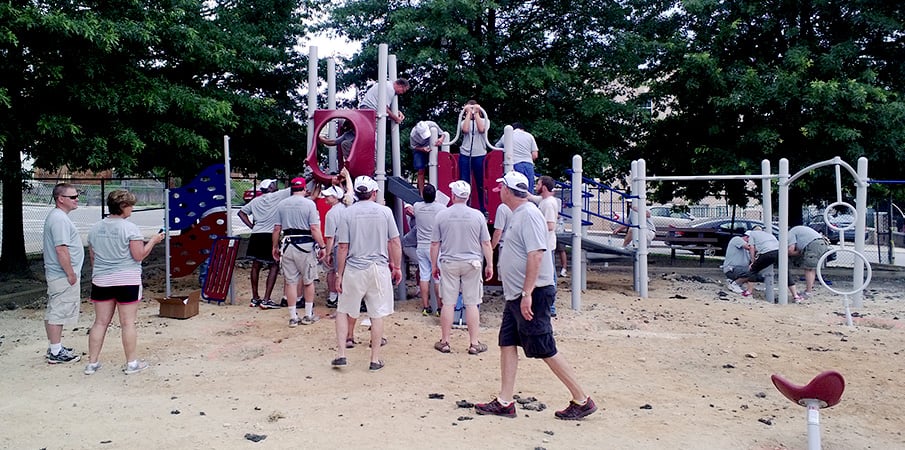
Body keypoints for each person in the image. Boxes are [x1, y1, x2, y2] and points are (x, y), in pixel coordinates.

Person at [475, 171, 597, 420]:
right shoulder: (519, 214)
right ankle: (505, 401)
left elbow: (536, 254)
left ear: (508, 191)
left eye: (501, 188)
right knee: (507, 342)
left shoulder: (528, 214)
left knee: (544, 347)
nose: (499, 192)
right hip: (517, 295)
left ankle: (581, 399)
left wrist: (527, 293)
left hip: (532, 292)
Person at [84, 190, 165, 375]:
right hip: (127, 279)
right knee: (128, 323)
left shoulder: (95, 228)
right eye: (130, 205)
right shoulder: (130, 229)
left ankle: (92, 363)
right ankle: (131, 363)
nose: (132, 209)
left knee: (100, 322)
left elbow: (93, 257)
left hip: (102, 279)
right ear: (122, 207)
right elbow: (139, 256)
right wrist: (153, 241)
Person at [332, 176, 403, 371]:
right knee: (377, 313)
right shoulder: (385, 212)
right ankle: (374, 358)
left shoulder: (347, 214)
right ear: (373, 193)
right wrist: (396, 266)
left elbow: (343, 247)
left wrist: (339, 273)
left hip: (354, 268)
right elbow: (395, 241)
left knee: (343, 309)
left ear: (356, 193)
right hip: (379, 268)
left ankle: (341, 354)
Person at [430, 181, 493, 354]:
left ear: (453, 195)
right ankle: (473, 343)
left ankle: (445, 341)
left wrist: (434, 264)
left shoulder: (442, 215)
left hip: (449, 262)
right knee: (472, 303)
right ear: (468, 196)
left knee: (448, 303)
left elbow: (435, 243)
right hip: (472, 262)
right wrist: (490, 264)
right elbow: (486, 243)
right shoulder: (478, 216)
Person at [272, 178, 326, 327]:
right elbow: (314, 228)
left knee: (290, 282)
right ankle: (308, 315)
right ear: (303, 188)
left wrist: (274, 247)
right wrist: (322, 246)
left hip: (288, 245)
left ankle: (292, 316)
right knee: (308, 281)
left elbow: (277, 228)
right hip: (306, 245)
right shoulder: (309, 204)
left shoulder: (282, 204)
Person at [42, 183, 85, 364]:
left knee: (55, 309)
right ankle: (55, 351)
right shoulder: (59, 219)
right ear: (61, 199)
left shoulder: (58, 217)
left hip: (58, 274)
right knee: (59, 311)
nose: (77, 200)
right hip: (61, 274)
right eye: (73, 197)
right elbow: (61, 249)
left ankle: (55, 346)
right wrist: (70, 273)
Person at [238, 179, 290, 309]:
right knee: (274, 264)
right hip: (270, 234)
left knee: (256, 265)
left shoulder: (255, 201)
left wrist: (252, 226)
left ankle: (255, 297)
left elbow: (241, 213)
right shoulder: (277, 196)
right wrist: (312, 176)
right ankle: (266, 299)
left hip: (256, 234)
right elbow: (296, 186)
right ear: (271, 187)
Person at [734, 230, 802, 301]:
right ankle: (795, 296)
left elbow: (752, 247)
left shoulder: (752, 234)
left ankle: (749, 292)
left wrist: (753, 261)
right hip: (780, 252)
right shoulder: (769, 235)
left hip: (767, 253)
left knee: (753, 269)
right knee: (786, 273)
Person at [412, 184, 446, 316]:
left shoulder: (417, 206)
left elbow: (411, 208)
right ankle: (439, 307)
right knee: (437, 278)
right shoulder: (441, 208)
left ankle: (425, 306)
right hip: (436, 246)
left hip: (421, 245)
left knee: (424, 276)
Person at [536, 176, 561, 315]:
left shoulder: (548, 204)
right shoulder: (546, 201)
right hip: (546, 242)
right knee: (549, 273)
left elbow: (550, 225)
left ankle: (551, 306)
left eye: (538, 184)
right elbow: (536, 198)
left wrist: (534, 228)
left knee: (550, 275)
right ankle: (549, 305)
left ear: (544, 187)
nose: (536, 186)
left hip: (547, 243)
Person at [459, 100, 489, 212]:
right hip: (465, 155)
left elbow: (481, 129)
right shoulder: (463, 122)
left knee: (481, 182)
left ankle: (482, 207)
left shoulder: (485, 120)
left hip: (480, 154)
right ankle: (464, 207)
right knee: (464, 181)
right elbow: (465, 130)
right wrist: (467, 113)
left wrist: (476, 113)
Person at [788, 225, 829, 297]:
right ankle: (808, 290)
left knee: (809, 269)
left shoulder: (790, 233)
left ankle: (808, 292)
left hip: (813, 244)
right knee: (811, 268)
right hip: (821, 243)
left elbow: (790, 250)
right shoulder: (798, 229)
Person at [495, 122, 539, 192]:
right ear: (522, 129)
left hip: (514, 164)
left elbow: (496, 148)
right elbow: (535, 155)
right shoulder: (529, 136)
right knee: (529, 190)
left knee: (516, 190)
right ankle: (530, 202)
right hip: (528, 165)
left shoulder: (506, 136)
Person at [410, 121, 445, 193]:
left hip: (433, 146)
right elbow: (414, 147)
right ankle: (422, 193)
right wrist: (422, 149)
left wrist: (441, 139)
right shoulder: (413, 134)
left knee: (439, 166)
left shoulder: (432, 125)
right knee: (420, 168)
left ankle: (436, 190)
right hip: (420, 148)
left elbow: (443, 134)